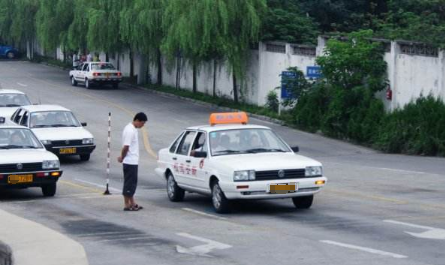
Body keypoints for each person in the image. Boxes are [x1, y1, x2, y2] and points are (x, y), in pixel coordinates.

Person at [117, 112, 147, 211]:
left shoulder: (132, 129)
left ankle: (132, 203)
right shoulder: (130, 130)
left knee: (132, 183)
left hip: (132, 161)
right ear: (137, 120)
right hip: (130, 161)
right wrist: (122, 157)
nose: (143, 125)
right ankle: (127, 204)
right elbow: (126, 146)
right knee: (129, 184)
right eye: (142, 123)